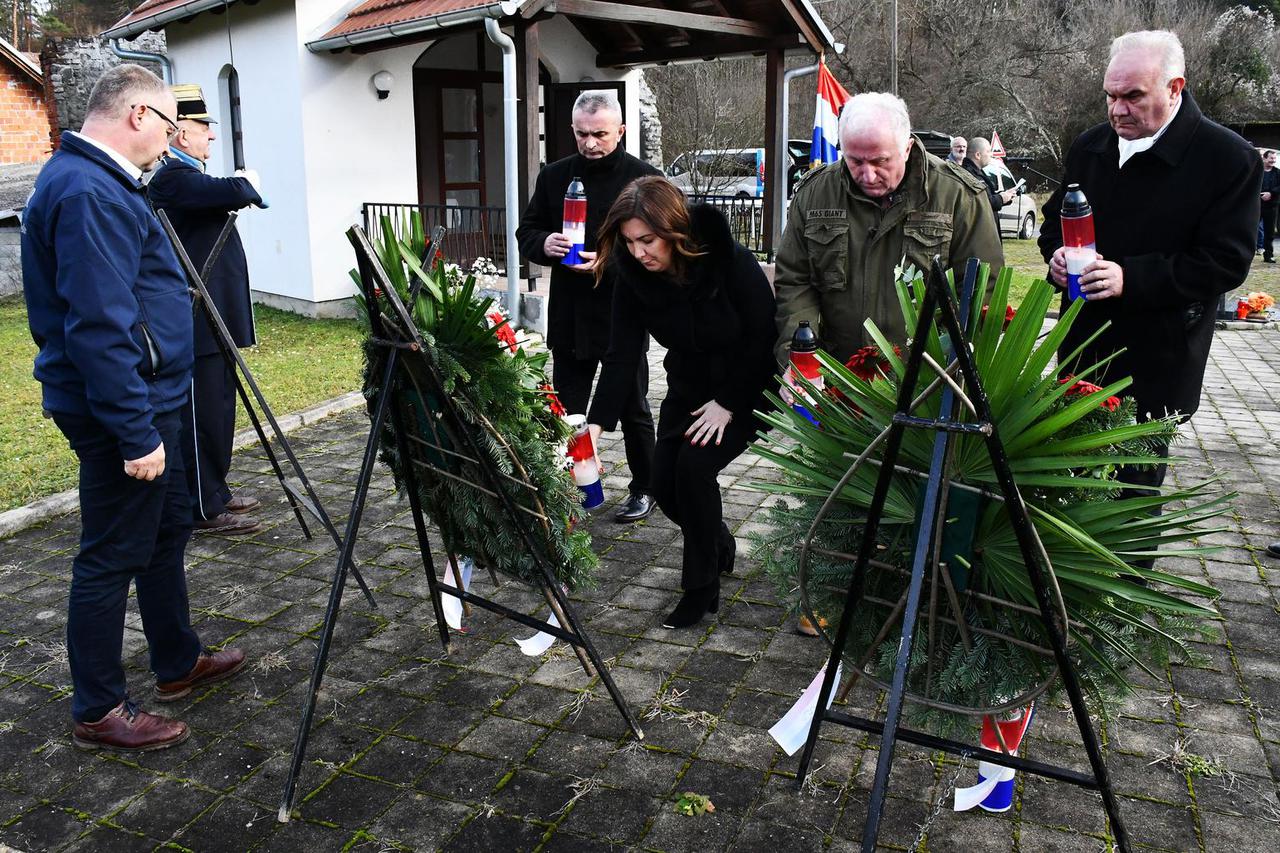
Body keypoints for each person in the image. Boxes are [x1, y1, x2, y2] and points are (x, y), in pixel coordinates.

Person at [21, 64, 247, 751]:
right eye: (172, 128)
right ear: (141, 117)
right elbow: (96, 326)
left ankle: (177, 661)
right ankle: (98, 707)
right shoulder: (88, 190)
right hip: (126, 409)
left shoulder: (103, 182)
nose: (174, 143)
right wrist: (133, 431)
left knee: (167, 528)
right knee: (111, 553)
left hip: (154, 397)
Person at [1039, 31, 1260, 508]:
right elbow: (1054, 221)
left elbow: (1226, 262)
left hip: (1156, 359)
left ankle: (1124, 579)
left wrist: (1130, 279)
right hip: (1082, 350)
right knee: (1069, 484)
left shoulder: (1227, 159)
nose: (1117, 109)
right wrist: (1056, 255)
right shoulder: (1090, 147)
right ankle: (1068, 581)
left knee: (1130, 494)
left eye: (1133, 96)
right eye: (1110, 96)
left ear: (1175, 88)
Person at [587, 177, 776, 629]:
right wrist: (593, 429)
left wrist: (728, 402)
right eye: (629, 242)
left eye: (647, 241)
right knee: (660, 482)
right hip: (688, 389)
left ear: (674, 230)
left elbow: (764, 336)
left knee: (693, 471)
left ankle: (700, 589)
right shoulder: (631, 277)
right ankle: (717, 541)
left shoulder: (728, 260)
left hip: (746, 387)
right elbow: (621, 355)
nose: (638, 253)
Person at [775, 92, 1004, 368]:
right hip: (837, 379)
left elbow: (982, 292)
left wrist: (955, 374)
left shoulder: (958, 197)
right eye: (855, 161)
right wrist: (800, 359)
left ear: (907, 149)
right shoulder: (815, 196)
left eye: (880, 161)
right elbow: (795, 282)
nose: (867, 175)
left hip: (927, 384)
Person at [516, 90, 659, 523]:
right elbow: (527, 232)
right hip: (571, 314)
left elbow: (662, 247)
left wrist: (613, 260)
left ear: (621, 130)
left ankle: (645, 487)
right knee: (567, 409)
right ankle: (571, 487)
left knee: (633, 407)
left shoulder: (645, 180)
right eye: (581, 134)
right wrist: (545, 242)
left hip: (623, 312)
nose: (590, 143)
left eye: (600, 134)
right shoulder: (555, 176)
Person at [148, 83, 266, 535]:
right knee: (200, 416)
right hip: (194, 322)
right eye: (204, 128)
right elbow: (233, 191)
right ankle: (201, 506)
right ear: (180, 133)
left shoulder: (187, 175)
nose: (211, 137)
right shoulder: (173, 178)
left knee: (219, 412)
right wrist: (248, 183)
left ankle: (214, 489)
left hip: (215, 319)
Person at [962, 136, 1017, 220]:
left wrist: (1005, 196)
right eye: (988, 151)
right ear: (978, 155)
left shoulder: (978, 172)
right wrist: (1001, 198)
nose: (991, 154)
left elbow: (987, 197)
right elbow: (981, 203)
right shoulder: (970, 174)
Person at [1261, 148, 1278, 264]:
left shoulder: (1278, 172)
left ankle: (1268, 255)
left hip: (1271, 206)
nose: (1273, 161)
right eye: (1271, 158)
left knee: (1269, 232)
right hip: (1257, 205)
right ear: (1264, 158)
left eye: (1274, 158)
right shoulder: (1257, 171)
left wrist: (1271, 193)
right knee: (1251, 229)